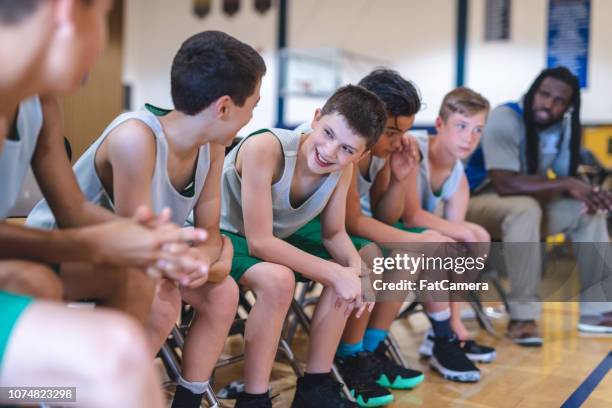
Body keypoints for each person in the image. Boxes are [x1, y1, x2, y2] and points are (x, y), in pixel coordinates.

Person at [27, 30, 267, 408]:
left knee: (223, 294)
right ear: (223, 107)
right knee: (161, 299)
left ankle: (186, 400)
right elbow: (134, 245)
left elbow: (209, 233)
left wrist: (205, 265)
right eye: (251, 105)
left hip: (138, 253)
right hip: (65, 252)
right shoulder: (135, 139)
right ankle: (91, 395)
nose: (252, 116)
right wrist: (200, 261)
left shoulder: (213, 148)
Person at [0, 1, 202, 406]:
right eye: (104, 17)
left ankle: (358, 352)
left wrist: (157, 242)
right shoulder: (137, 135)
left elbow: (347, 230)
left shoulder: (353, 171)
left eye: (348, 149)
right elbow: (263, 239)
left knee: (366, 257)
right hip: (260, 261)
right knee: (274, 281)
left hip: (262, 261)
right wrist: (116, 241)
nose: (337, 152)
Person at [220, 84, 386, 408]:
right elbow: (260, 241)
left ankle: (315, 386)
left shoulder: (343, 170)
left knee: (361, 264)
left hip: (272, 239)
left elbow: (334, 233)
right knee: (287, 279)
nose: (330, 151)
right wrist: (335, 273)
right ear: (315, 117)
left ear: (362, 155)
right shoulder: (265, 148)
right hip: (224, 235)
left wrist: (354, 270)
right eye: (328, 134)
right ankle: (253, 398)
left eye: (348, 150)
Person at [338, 70, 481, 400]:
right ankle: (348, 354)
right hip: (316, 231)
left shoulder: (382, 152)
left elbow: (386, 214)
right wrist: (414, 238)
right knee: (390, 247)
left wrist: (401, 178)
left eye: (401, 132)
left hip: (345, 229)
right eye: (390, 131)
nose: (396, 140)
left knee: (416, 249)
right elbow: (353, 222)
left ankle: (371, 350)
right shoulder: (349, 147)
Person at [465, 66, 612, 344]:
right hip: (475, 204)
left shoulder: (562, 127)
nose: (549, 104)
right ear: (533, 93)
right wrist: (567, 185)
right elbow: (505, 183)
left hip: (527, 206)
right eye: (544, 95)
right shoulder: (504, 117)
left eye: (559, 101)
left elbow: (566, 174)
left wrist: (591, 193)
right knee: (525, 208)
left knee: (587, 213)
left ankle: (597, 312)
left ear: (568, 106)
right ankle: (523, 316)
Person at [399, 87, 495, 362]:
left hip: (416, 232)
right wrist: (468, 233)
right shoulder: (412, 147)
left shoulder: (458, 173)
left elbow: (460, 238)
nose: (470, 137)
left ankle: (450, 325)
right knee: (467, 237)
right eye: (462, 126)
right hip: (384, 224)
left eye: (478, 130)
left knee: (473, 240)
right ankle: (444, 331)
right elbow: (411, 215)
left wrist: (469, 235)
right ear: (440, 124)